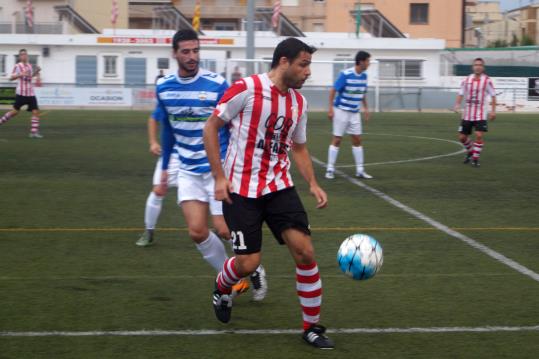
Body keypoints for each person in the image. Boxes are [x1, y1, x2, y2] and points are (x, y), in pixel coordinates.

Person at [204, 37, 334, 349]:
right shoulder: (246, 89)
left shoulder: (298, 103)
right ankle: (222, 287)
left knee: (305, 251)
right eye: (304, 65)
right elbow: (210, 128)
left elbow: (298, 147)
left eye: (309, 66)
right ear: (284, 62)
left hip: (278, 187)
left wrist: (313, 183)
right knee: (247, 264)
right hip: (240, 191)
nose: (308, 72)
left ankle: (311, 327)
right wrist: (219, 178)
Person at [157, 29, 267, 300]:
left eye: (195, 51)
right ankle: (229, 280)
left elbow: (231, 124)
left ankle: (252, 268)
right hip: (187, 170)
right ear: (174, 53)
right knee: (196, 231)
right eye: (186, 51)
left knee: (225, 229)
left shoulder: (217, 84)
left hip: (218, 170)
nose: (192, 56)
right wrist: (163, 167)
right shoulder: (164, 88)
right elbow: (168, 130)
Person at [135, 105, 181, 247]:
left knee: (208, 194)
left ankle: (221, 228)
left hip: (199, 155)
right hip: (172, 155)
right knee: (158, 191)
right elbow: (153, 118)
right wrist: (153, 142)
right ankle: (149, 232)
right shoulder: (170, 98)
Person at [325, 50, 372, 179]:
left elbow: (362, 93)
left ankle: (360, 170)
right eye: (368, 61)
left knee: (357, 140)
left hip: (355, 113)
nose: (369, 63)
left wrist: (366, 109)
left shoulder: (364, 76)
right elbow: (333, 90)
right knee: (337, 139)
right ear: (361, 61)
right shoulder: (345, 74)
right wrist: (330, 109)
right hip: (341, 111)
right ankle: (329, 169)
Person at [454, 58, 496, 168]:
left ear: (483, 67)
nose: (478, 66)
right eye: (476, 65)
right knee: (462, 138)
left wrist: (492, 111)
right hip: (467, 114)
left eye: (480, 65)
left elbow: (493, 95)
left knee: (478, 135)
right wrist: (457, 104)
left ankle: (475, 159)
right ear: (472, 67)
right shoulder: (467, 80)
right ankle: (471, 152)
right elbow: (461, 93)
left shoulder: (487, 80)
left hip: (480, 114)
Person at [0, 49, 43, 138]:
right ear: (20, 56)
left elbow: (30, 77)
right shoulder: (17, 66)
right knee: (15, 112)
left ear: (27, 55)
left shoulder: (30, 66)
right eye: (22, 54)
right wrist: (21, 74)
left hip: (30, 93)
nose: (24, 56)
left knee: (36, 112)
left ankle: (33, 132)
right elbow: (11, 78)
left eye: (25, 54)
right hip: (21, 94)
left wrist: (37, 71)